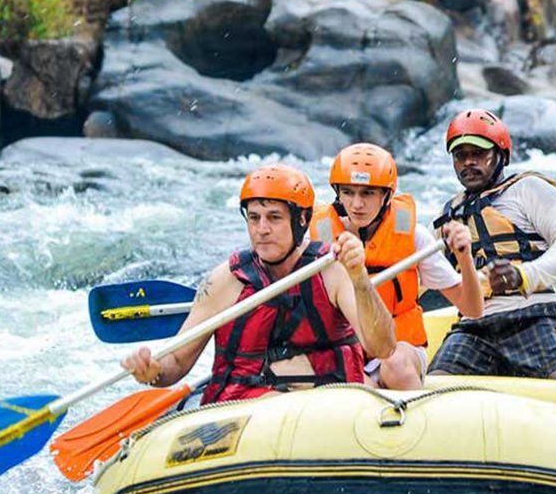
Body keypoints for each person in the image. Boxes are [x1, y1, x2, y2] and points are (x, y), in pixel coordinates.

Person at [121, 163, 397, 404]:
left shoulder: (332, 269)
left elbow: (383, 348)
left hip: (328, 406)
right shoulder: (224, 281)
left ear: (301, 219)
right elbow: (177, 363)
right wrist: (152, 370)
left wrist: (360, 279)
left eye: (274, 218)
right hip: (246, 413)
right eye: (254, 218)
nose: (261, 229)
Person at [309, 143, 483, 390]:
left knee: (395, 362)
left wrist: (464, 257)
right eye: (348, 192)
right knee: (357, 384)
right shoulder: (318, 240)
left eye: (368, 193)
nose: (357, 204)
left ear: (387, 195)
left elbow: (472, 308)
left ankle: (421, 420)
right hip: (350, 354)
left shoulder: (413, 237)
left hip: (403, 349)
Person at [429, 109, 556, 380]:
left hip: (536, 312)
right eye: (460, 155)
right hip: (476, 325)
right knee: (436, 383)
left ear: (502, 156)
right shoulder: (449, 214)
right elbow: (428, 274)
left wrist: (523, 275)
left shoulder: (529, 189)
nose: (468, 162)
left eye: (478, 154)